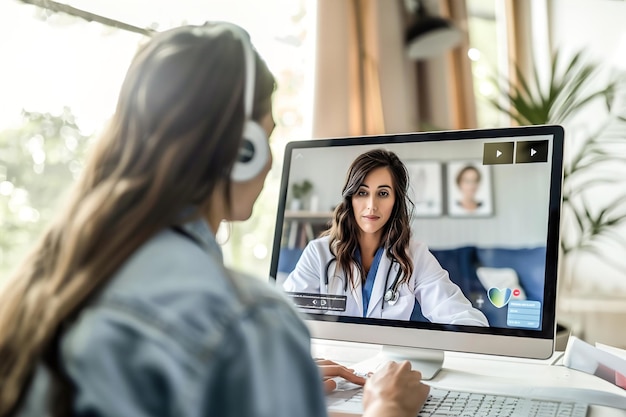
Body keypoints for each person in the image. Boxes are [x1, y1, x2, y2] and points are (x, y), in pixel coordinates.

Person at [0, 23, 429, 417]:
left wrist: (267, 376)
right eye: (269, 135)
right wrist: (386, 408)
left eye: (383, 193)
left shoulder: (46, 285)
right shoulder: (248, 320)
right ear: (244, 150)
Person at [283, 149, 489, 325]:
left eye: (383, 194)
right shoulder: (318, 253)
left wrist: (478, 338)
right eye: (362, 193)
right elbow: (286, 318)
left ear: (395, 202)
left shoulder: (415, 255)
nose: (371, 205)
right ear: (350, 199)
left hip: (388, 363)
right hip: (333, 359)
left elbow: (457, 312)